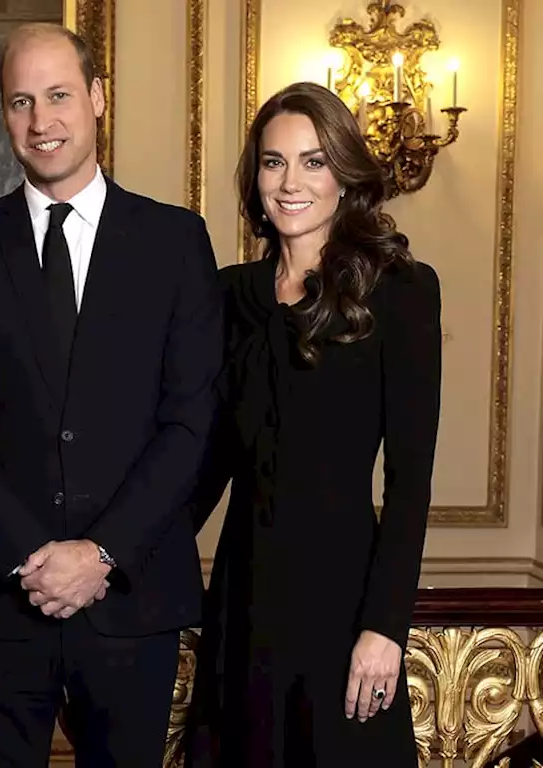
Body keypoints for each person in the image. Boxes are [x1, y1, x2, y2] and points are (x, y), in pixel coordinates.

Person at [0, 23, 224, 767]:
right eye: (21, 101)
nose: (41, 121)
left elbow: (191, 420)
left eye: (58, 96)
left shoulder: (176, 243)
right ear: (3, 114)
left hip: (133, 601)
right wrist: (30, 556)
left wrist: (102, 553)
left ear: (98, 99)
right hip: (0, 604)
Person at [182, 81, 441, 767]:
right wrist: (113, 555)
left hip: (345, 604)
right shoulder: (229, 294)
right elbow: (204, 462)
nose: (290, 181)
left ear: (345, 175)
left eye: (313, 161)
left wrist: (384, 628)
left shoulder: (402, 290)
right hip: (243, 602)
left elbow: (411, 482)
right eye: (273, 162)